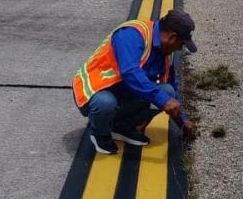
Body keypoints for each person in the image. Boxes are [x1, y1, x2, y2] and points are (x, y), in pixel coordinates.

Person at [72, 10, 197, 154]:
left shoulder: (165, 51)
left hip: (123, 92)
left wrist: (182, 119)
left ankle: (122, 127)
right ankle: (100, 134)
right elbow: (130, 73)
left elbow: (171, 85)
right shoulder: (132, 34)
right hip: (95, 90)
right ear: (172, 37)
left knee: (167, 91)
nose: (180, 49)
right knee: (106, 103)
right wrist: (163, 100)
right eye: (181, 44)